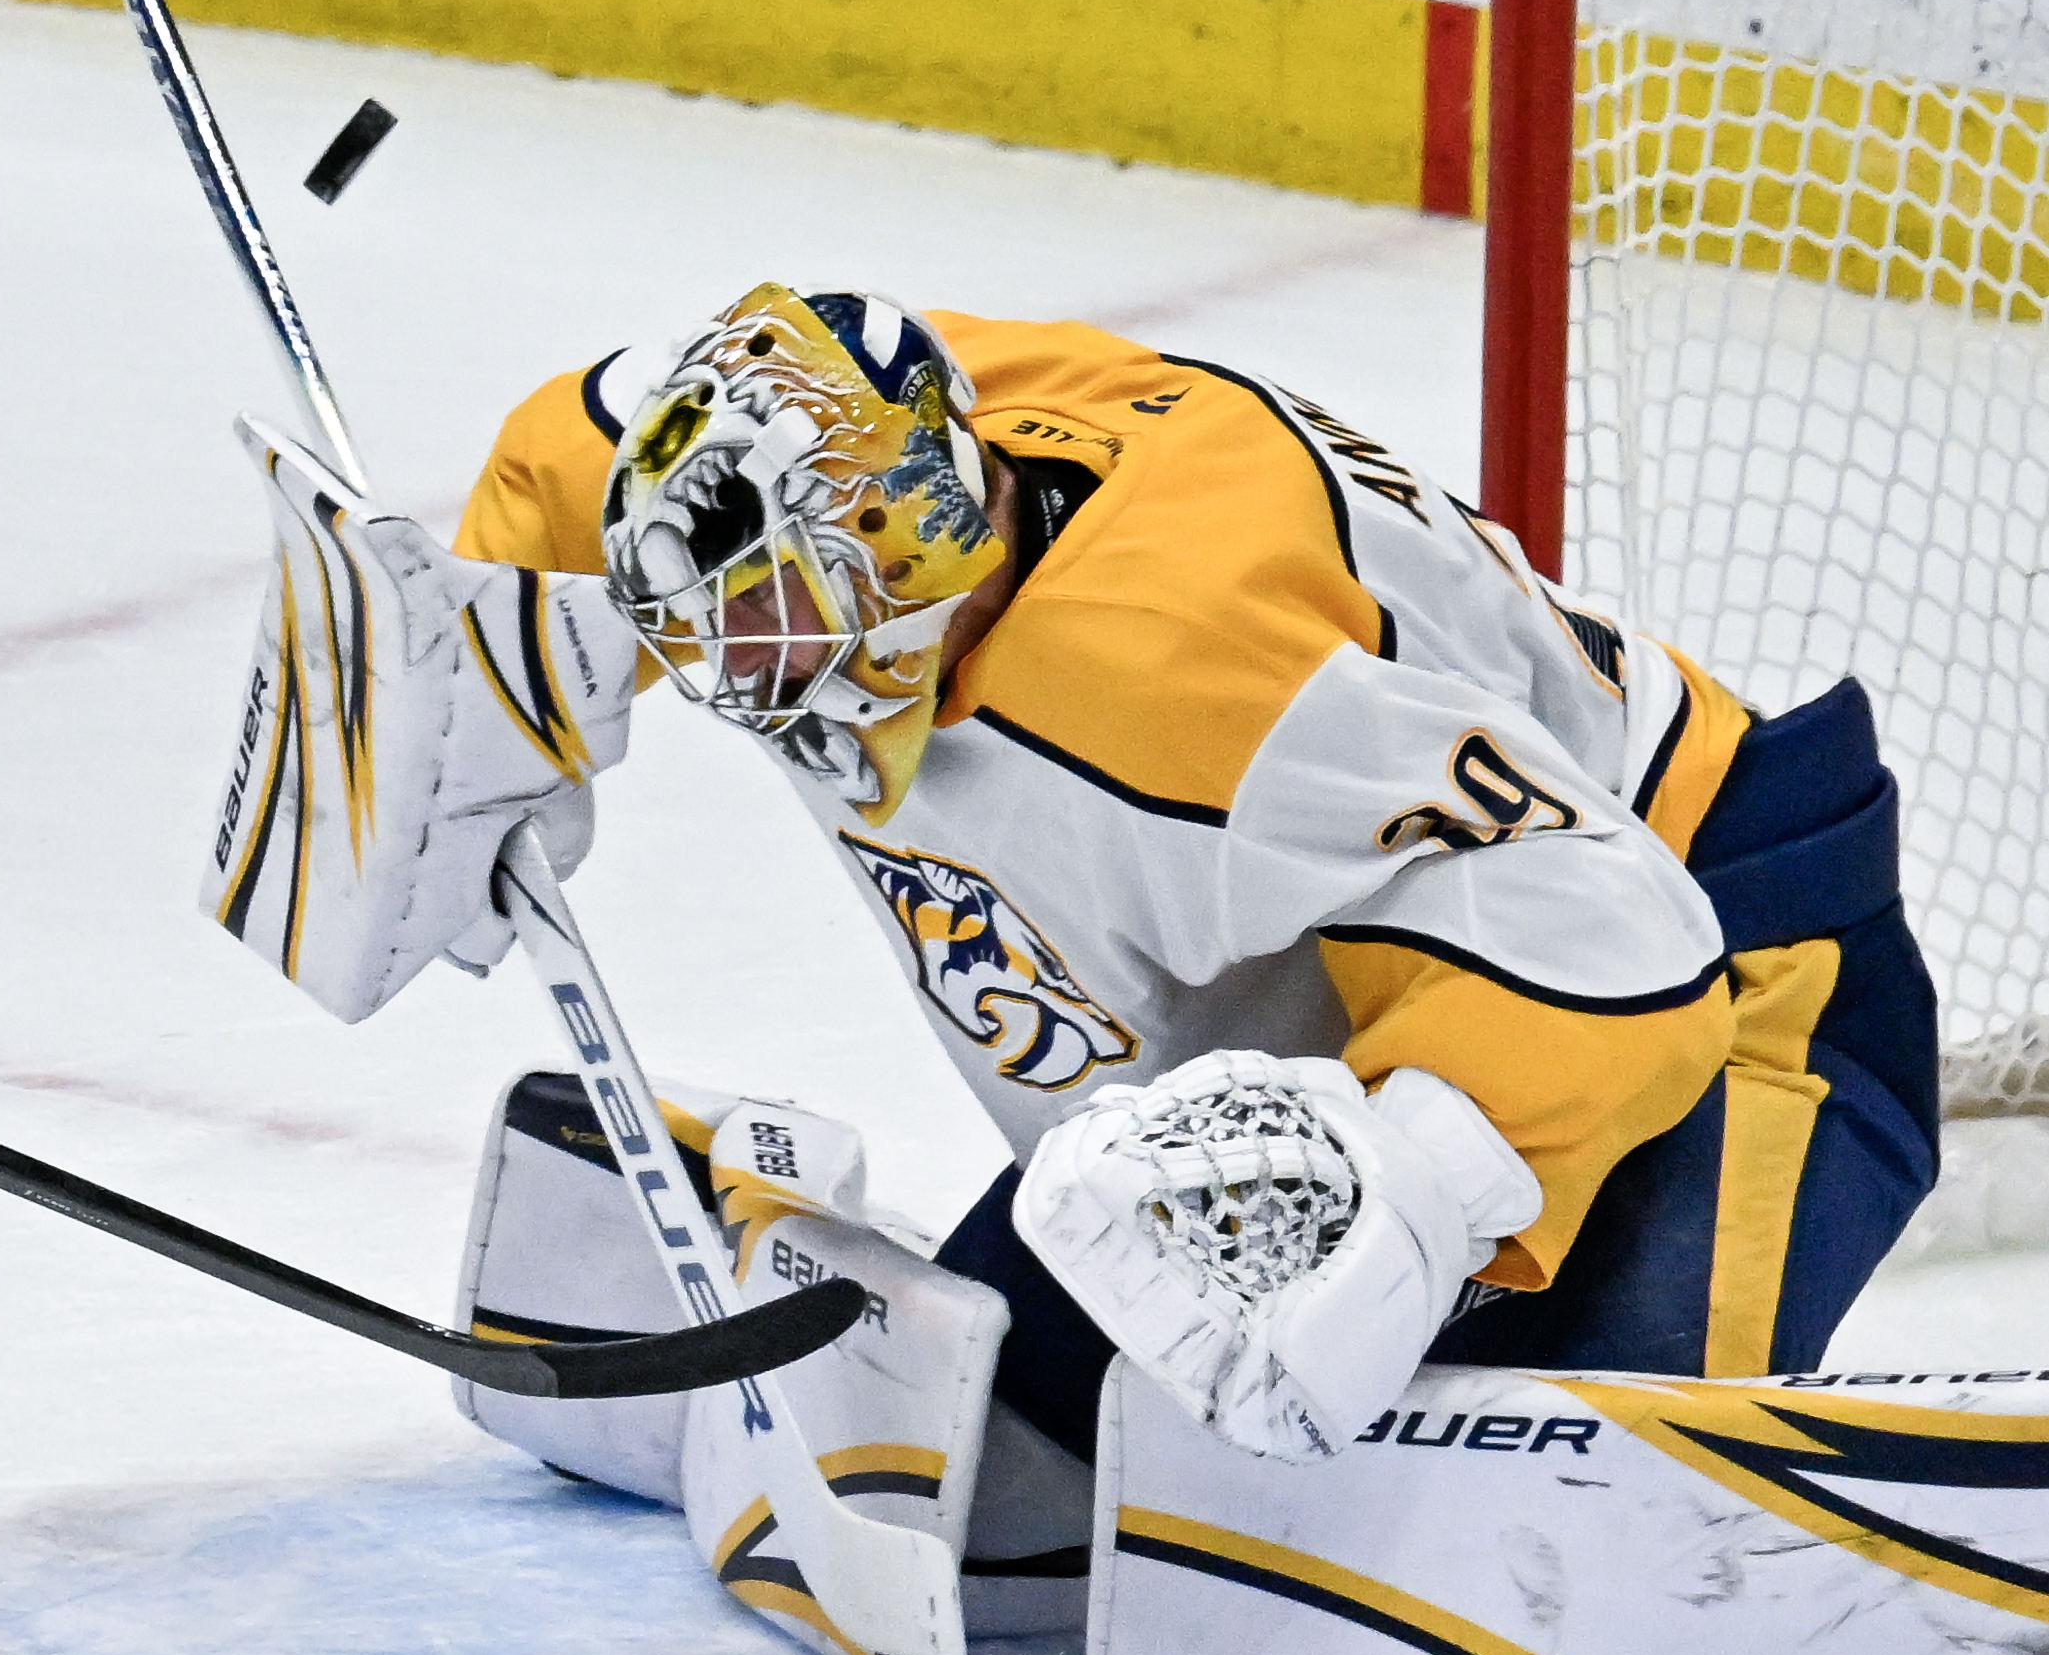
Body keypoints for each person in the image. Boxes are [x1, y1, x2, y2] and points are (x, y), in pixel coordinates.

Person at [241, 285, 1938, 1514]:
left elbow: (1613, 932)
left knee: (1555, 1502)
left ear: (917, 547)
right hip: (1373, 938)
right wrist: (490, 672)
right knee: (1030, 1481)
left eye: (764, 619)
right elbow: (575, 450)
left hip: (1712, 959)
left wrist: (1413, 1192)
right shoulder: (846, 479)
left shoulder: (1174, 672)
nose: (723, 671)